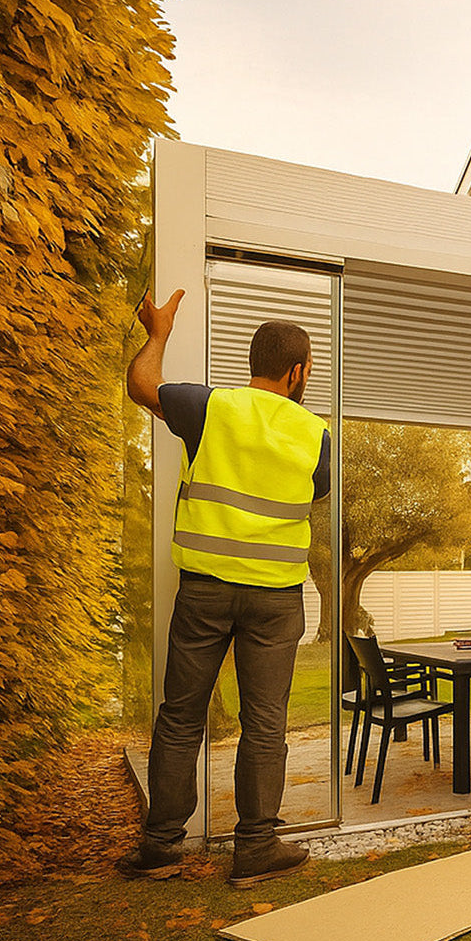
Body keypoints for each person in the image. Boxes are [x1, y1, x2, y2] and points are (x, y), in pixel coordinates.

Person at [120, 288, 331, 886]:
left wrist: (159, 333)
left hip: (205, 591)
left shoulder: (210, 407)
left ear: (253, 364)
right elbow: (314, 493)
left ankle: (161, 846)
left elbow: (140, 385)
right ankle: (255, 851)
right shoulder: (316, 434)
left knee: (181, 717)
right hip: (275, 599)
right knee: (266, 722)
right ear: (297, 371)